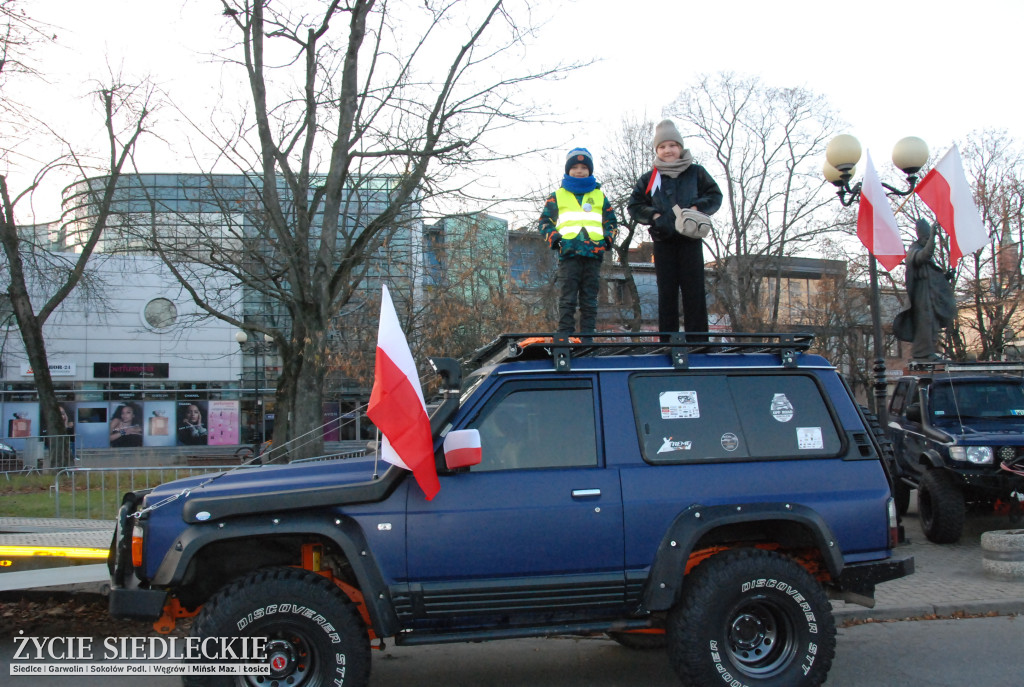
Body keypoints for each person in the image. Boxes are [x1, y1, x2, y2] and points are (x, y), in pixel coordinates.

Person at [628, 119, 722, 340]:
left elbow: (715, 195)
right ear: (657, 150)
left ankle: (699, 342)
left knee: (695, 292)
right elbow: (635, 205)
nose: (667, 150)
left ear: (680, 147)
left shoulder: (696, 172)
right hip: (663, 240)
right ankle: (668, 343)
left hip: (690, 239)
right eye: (662, 147)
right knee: (666, 293)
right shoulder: (650, 178)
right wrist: (655, 216)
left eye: (672, 145)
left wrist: (697, 207)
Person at [538, 147, 617, 335]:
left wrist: (607, 239)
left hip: (593, 254)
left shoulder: (600, 195)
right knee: (567, 298)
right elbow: (544, 221)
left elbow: (611, 221)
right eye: (575, 167)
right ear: (568, 170)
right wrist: (555, 239)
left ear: (590, 170)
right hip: (569, 253)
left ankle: (588, 337)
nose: (579, 170)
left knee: (590, 299)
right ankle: (565, 336)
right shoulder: (557, 195)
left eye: (584, 167)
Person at [893, 219, 956, 360]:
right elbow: (925, 255)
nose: (928, 241)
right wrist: (933, 236)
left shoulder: (923, 255)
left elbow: (932, 277)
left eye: (929, 238)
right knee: (925, 322)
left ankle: (928, 352)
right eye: (926, 238)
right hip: (921, 296)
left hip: (929, 294)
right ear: (921, 238)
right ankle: (923, 353)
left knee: (932, 323)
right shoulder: (913, 252)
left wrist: (945, 277)